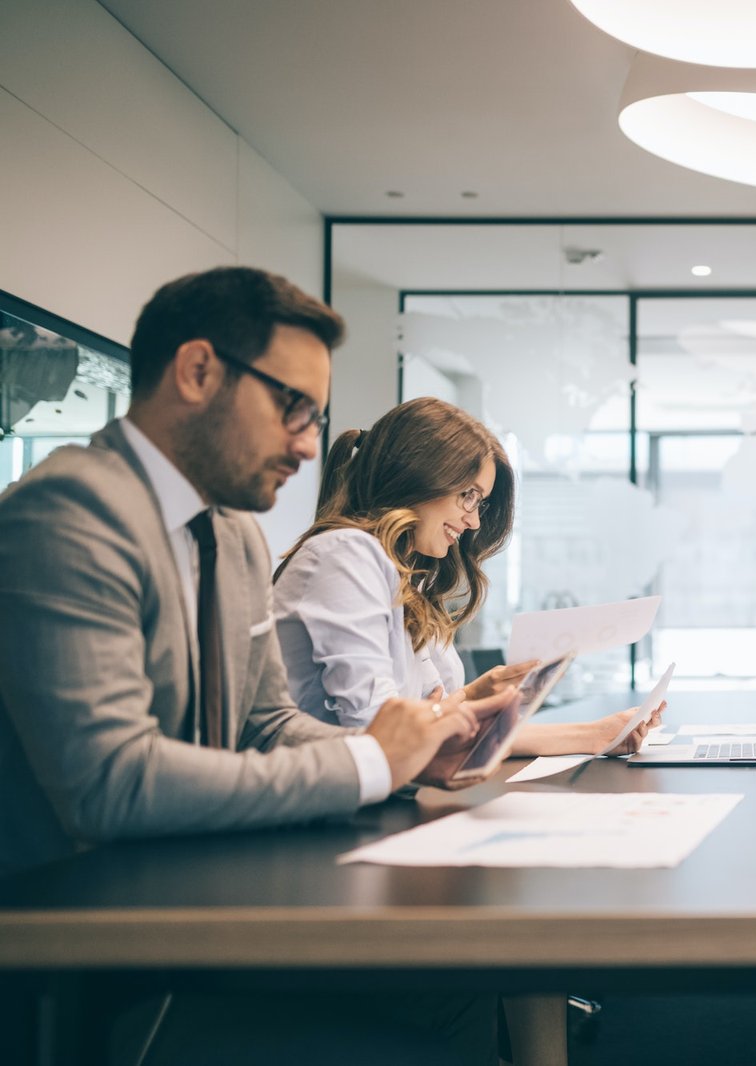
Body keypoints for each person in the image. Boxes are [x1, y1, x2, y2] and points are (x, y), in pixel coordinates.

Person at [0, 267, 505, 1062]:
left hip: (197, 906)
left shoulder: (232, 535)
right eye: (292, 407)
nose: (310, 443)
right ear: (198, 372)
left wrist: (410, 760)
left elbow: (265, 721)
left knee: (473, 980)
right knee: (453, 1005)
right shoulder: (70, 514)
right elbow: (111, 783)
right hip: (95, 972)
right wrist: (374, 763)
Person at [273, 396, 657, 757]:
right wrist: (589, 735)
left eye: (480, 502)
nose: (473, 521)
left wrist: (476, 695)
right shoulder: (345, 556)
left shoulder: (402, 576)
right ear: (417, 476)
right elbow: (384, 732)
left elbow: (436, 722)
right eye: (468, 496)